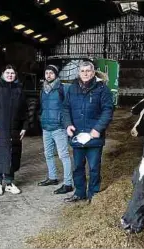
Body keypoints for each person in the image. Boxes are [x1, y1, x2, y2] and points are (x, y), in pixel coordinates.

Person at [62, 61, 114, 203]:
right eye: (82, 71)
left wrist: (98, 129)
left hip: (94, 137)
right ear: (79, 73)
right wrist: (67, 125)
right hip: (77, 135)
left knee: (93, 168)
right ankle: (79, 193)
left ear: (93, 72)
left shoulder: (102, 89)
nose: (85, 73)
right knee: (78, 167)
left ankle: (93, 194)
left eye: (88, 71)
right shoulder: (72, 88)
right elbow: (65, 108)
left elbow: (108, 110)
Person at [0, 64, 28, 196]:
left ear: (15, 75)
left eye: (12, 73)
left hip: (14, 129)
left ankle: (9, 183)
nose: (10, 75)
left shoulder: (19, 90)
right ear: (3, 74)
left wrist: (24, 127)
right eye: (7, 72)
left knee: (12, 155)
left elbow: (24, 111)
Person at [38, 65, 73, 194]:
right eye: (46, 73)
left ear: (56, 75)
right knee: (48, 154)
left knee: (63, 155)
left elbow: (69, 106)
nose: (48, 75)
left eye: (51, 73)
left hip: (59, 128)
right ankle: (52, 178)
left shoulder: (63, 88)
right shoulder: (43, 90)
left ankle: (68, 183)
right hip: (46, 127)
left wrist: (66, 123)